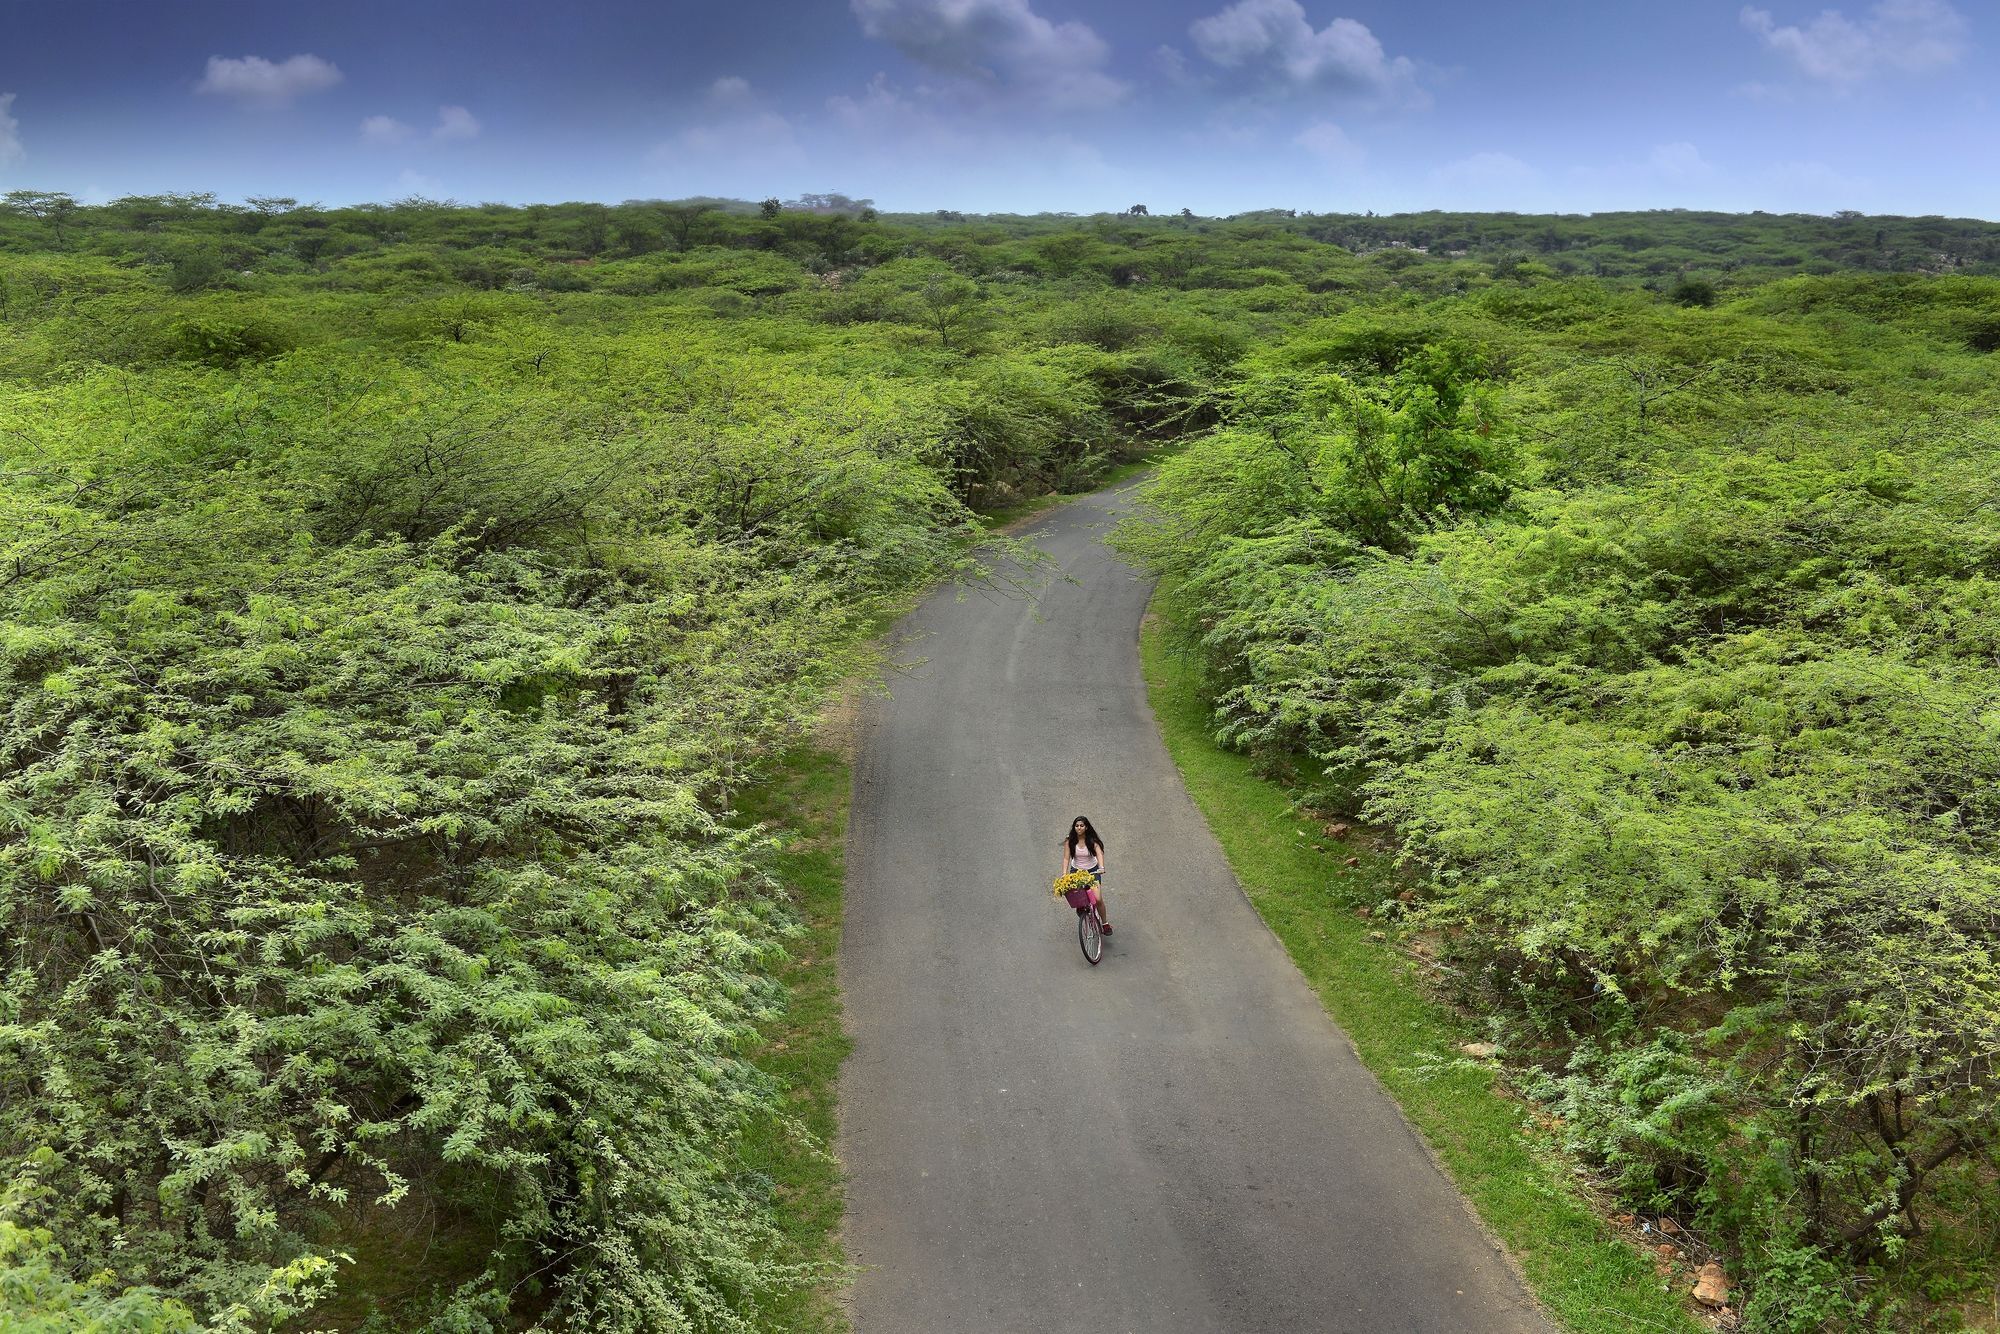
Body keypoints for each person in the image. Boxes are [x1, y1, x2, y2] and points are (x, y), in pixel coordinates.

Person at [1058, 815, 1110, 934]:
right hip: (1076, 872)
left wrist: (1101, 867)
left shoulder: (1092, 840)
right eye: (1077, 826)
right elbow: (1066, 858)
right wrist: (1064, 874)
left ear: (1086, 827)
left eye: (1081, 826)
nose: (1079, 828)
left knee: (1097, 899)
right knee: (1077, 900)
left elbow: (1099, 853)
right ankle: (1086, 916)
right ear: (1074, 827)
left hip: (1092, 871)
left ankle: (1105, 923)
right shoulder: (1070, 841)